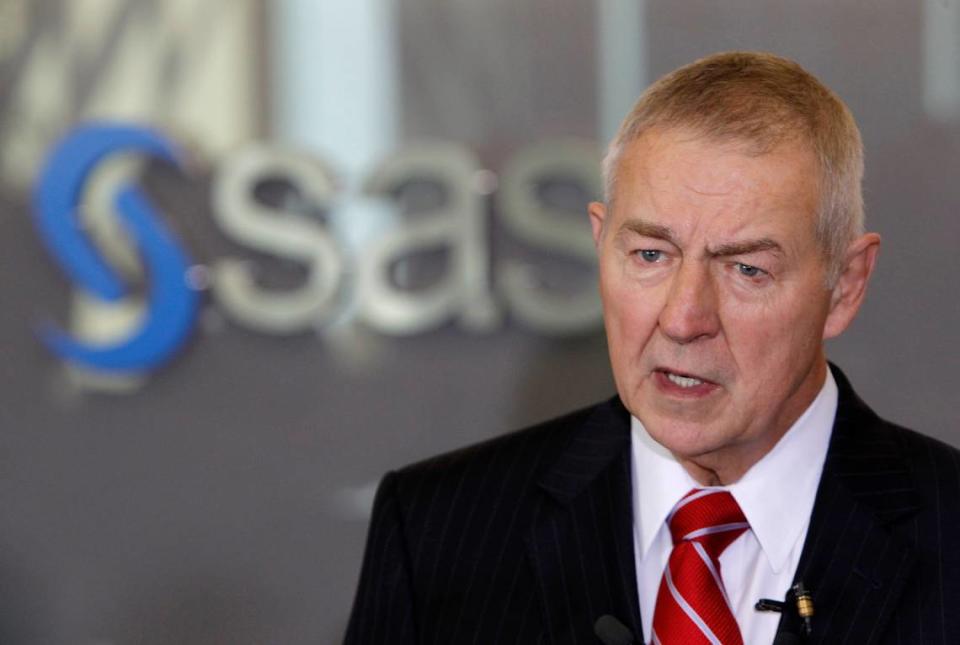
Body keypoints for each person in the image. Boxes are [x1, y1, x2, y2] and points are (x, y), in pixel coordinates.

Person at [344, 51, 960, 645]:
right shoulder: (438, 533)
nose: (684, 318)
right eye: (649, 255)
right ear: (599, 243)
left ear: (846, 286)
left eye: (745, 268)